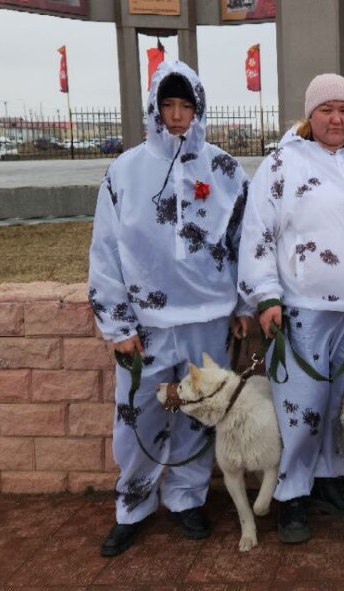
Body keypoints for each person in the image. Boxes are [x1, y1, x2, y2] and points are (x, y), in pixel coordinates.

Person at [89, 61, 252, 557]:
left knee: (198, 414)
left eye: (186, 106)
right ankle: (133, 506)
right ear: (154, 109)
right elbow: (106, 250)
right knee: (138, 416)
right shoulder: (124, 172)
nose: (177, 116)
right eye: (168, 106)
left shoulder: (225, 171)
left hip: (209, 318)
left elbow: (246, 243)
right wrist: (116, 324)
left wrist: (244, 304)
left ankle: (186, 499)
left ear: (198, 109)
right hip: (148, 325)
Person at [238, 73, 344, 543]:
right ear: (310, 114)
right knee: (301, 404)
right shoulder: (282, 164)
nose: (336, 119)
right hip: (303, 310)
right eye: (326, 110)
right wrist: (266, 296)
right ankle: (292, 493)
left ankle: (330, 477)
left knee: (339, 402)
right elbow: (258, 233)